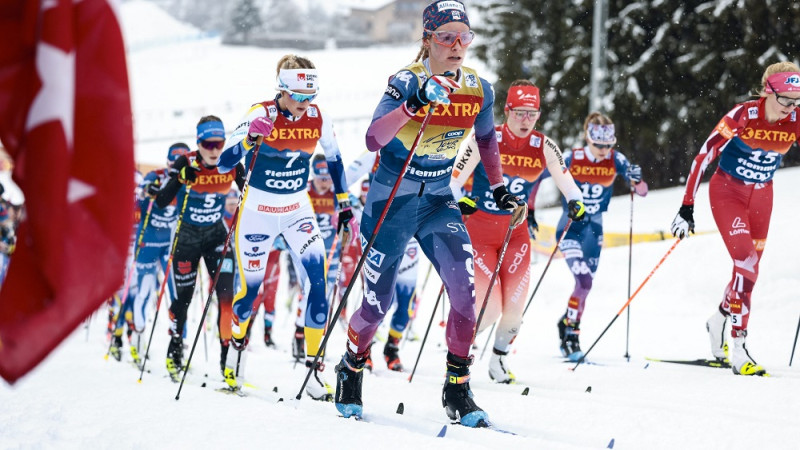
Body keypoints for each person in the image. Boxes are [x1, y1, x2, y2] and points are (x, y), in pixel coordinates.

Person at [333, 0, 526, 427]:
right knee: (377, 303)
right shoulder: (406, 81)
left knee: (464, 293)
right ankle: (351, 365)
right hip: (393, 201)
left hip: (438, 200)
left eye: (464, 37)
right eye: (446, 37)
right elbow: (372, 138)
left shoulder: (479, 88)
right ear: (427, 39)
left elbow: (488, 141)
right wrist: (414, 104)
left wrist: (497, 187)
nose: (457, 46)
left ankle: (457, 388)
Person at [217, 54, 353, 401]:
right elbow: (223, 163)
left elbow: (335, 159)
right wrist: (248, 140)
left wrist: (344, 202)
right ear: (282, 90)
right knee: (251, 291)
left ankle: (311, 370)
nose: (306, 105)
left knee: (319, 281)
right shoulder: (261, 113)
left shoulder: (318, 116)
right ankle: (235, 353)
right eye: (300, 97)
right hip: (258, 210)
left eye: (312, 97)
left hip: (296, 208)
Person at [450, 80, 585, 383]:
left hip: (516, 235)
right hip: (480, 233)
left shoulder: (544, 146)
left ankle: (498, 361)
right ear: (507, 110)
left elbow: (568, 183)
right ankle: (459, 351)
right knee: (490, 307)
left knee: (513, 310)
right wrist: (461, 201)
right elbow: (453, 182)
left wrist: (576, 202)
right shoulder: (486, 138)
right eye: (519, 113)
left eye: (532, 114)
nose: (525, 120)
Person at [670, 62, 800, 376]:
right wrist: (687, 206)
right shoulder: (743, 115)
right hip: (728, 192)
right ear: (768, 90)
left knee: (749, 273)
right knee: (746, 263)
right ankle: (738, 346)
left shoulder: (796, 119)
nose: (790, 108)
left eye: (797, 101)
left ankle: (717, 320)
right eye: (785, 99)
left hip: (762, 196)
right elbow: (704, 156)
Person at [155, 116, 245, 381]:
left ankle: (226, 361)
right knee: (184, 299)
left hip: (216, 237)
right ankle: (175, 351)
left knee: (227, 298)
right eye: (209, 144)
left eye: (219, 143)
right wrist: (179, 178)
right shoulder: (187, 162)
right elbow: (161, 202)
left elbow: (250, 193)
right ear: (199, 144)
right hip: (187, 239)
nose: (215, 150)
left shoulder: (231, 162)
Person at [555, 112, 647, 362]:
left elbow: (642, 191)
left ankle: (566, 322)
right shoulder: (572, 157)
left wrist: (636, 178)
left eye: (608, 144)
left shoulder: (616, 159)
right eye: (599, 145)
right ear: (588, 138)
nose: (605, 150)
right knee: (583, 281)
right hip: (570, 228)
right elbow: (541, 176)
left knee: (584, 287)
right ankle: (571, 335)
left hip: (594, 230)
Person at [345, 150, 423, 372]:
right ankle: (363, 348)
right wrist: (348, 201)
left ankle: (392, 348)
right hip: (381, 235)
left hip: (410, 237)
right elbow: (343, 180)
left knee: (405, 303)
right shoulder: (376, 152)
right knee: (377, 301)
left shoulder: (426, 150)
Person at [116, 143, 189, 366]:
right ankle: (137, 338)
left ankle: (179, 345)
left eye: (181, 162)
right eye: (173, 161)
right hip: (148, 244)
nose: (176, 166)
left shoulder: (188, 178)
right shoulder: (156, 175)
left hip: (169, 244)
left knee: (179, 295)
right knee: (145, 291)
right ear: (167, 162)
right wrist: (151, 191)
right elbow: (143, 188)